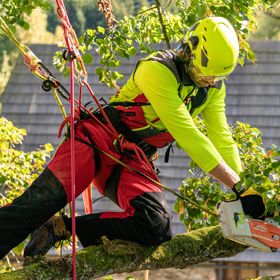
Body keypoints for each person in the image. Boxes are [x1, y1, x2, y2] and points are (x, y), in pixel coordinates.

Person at [0, 16, 265, 259]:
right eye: (203, 74)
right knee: (39, 204)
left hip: (132, 157)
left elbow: (221, 137)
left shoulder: (212, 90)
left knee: (156, 225)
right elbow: (188, 133)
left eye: (214, 77)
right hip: (96, 141)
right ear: (191, 50)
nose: (207, 82)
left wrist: (242, 189)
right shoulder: (157, 70)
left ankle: (63, 228)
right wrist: (236, 186)